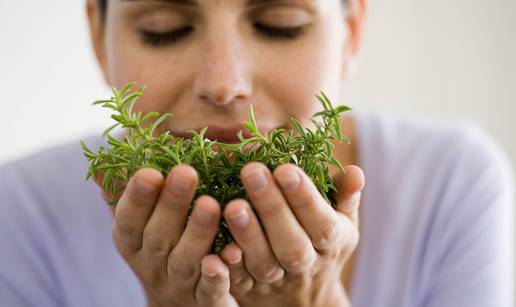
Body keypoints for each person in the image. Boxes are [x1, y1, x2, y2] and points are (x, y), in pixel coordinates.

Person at [0, 0, 513, 306]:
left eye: (280, 23)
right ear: (97, 34)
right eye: (163, 29)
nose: (223, 85)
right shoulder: (20, 211)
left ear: (350, 30)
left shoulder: (450, 185)